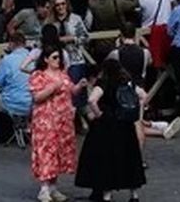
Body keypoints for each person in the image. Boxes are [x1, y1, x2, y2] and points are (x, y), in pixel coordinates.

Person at [74, 57, 145, 202]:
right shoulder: (128, 82)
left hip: (107, 125)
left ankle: (106, 194)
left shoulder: (104, 83)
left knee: (107, 159)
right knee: (129, 157)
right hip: (126, 124)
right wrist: (138, 112)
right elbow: (143, 95)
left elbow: (92, 100)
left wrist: (99, 113)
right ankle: (134, 194)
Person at [27, 44, 76, 202]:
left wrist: (80, 86)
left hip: (63, 120)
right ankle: (44, 189)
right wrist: (52, 87)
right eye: (54, 57)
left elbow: (71, 90)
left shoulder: (63, 74)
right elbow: (37, 97)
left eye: (59, 57)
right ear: (46, 59)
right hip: (45, 119)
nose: (58, 60)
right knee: (46, 151)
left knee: (58, 152)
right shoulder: (38, 75)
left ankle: (54, 187)